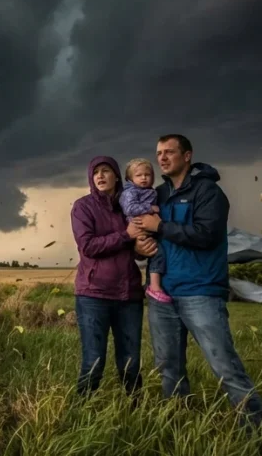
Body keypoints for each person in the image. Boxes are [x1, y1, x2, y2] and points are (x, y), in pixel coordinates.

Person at [129, 134, 262, 428]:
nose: (162, 158)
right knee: (168, 368)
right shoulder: (157, 194)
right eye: (159, 153)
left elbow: (207, 236)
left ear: (187, 155)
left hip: (201, 291)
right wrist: (139, 247)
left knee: (224, 366)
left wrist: (161, 226)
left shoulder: (208, 192)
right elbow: (148, 236)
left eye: (169, 152)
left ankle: (261, 434)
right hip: (162, 295)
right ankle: (179, 428)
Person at [70, 155, 158, 396]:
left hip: (129, 295)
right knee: (94, 361)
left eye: (106, 170)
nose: (100, 175)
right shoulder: (83, 207)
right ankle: (81, 410)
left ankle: (135, 409)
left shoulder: (128, 206)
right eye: (95, 172)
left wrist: (140, 249)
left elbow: (136, 247)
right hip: (93, 295)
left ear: (117, 176)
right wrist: (126, 236)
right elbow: (88, 246)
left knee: (131, 362)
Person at [120, 158, 169, 303]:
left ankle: (150, 284)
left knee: (156, 252)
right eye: (139, 175)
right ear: (130, 178)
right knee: (158, 253)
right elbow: (129, 208)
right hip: (139, 228)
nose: (144, 178)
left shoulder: (148, 191)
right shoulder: (130, 192)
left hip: (148, 227)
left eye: (147, 175)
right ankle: (154, 286)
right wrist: (150, 208)